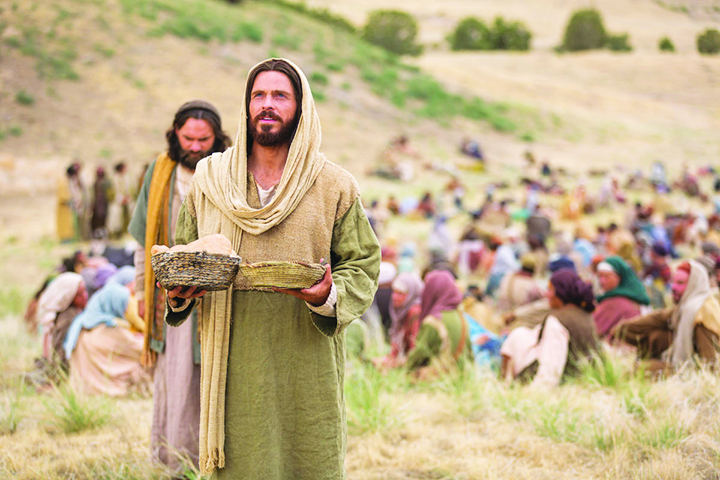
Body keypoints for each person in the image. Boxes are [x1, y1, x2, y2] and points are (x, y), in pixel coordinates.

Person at [164, 59, 381, 478]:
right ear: (246, 106)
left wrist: (328, 295)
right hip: (233, 361)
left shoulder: (334, 185)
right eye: (258, 95)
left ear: (301, 107)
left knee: (308, 460)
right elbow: (184, 255)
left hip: (306, 361)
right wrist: (179, 292)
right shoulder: (209, 180)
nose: (267, 104)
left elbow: (363, 263)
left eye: (280, 95)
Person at [128, 99, 231, 472]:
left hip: (220, 292)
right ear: (175, 135)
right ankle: (177, 462)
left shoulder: (229, 170)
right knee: (177, 376)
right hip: (170, 293)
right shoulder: (159, 172)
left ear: (216, 137)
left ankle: (216, 462)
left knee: (216, 376)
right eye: (189, 139)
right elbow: (144, 240)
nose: (196, 147)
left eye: (204, 140)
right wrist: (143, 291)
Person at [500, 270, 600, 387]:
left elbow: (551, 369)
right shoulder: (585, 315)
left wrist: (534, 393)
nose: (546, 294)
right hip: (584, 379)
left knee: (516, 337)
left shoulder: (557, 320)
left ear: (562, 292)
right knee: (519, 334)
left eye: (550, 290)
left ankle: (505, 386)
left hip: (565, 382)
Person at [613, 261, 720, 371]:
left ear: (693, 285)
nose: (673, 287)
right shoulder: (686, 306)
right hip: (680, 366)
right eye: (673, 282)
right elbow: (658, 318)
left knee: (639, 370)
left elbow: (710, 363)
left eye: (680, 283)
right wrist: (621, 329)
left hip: (689, 370)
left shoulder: (701, 312)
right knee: (656, 336)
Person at [63, 280, 147, 396]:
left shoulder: (82, 325)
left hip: (83, 388)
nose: (125, 310)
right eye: (123, 305)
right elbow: (141, 349)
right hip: (107, 387)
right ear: (114, 305)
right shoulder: (110, 330)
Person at [405, 270, 469, 375]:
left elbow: (420, 352)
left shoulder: (433, 321)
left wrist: (406, 366)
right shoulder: (461, 317)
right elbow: (468, 354)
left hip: (436, 377)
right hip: (459, 376)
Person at [36, 273, 88, 373]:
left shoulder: (74, 311)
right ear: (68, 296)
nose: (85, 296)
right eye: (80, 294)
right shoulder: (68, 318)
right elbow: (60, 353)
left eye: (85, 291)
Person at [593, 256, 650, 340]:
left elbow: (594, 330)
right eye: (600, 276)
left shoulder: (614, 301)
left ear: (619, 277)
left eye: (607, 276)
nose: (602, 281)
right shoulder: (634, 295)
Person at [379, 272, 424, 368]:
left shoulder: (414, 313)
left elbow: (414, 350)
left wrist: (394, 364)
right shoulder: (400, 311)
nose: (394, 297)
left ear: (411, 294)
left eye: (400, 294)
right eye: (394, 292)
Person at [107, 162, 135, 239]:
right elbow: (111, 192)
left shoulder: (127, 178)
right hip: (117, 202)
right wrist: (120, 198)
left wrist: (127, 197)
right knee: (115, 219)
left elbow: (131, 189)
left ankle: (126, 233)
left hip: (126, 201)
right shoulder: (113, 179)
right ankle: (115, 235)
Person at [91, 166, 114, 238]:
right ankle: (101, 234)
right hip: (100, 205)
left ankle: (102, 234)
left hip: (102, 205)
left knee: (102, 220)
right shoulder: (99, 183)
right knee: (101, 220)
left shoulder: (102, 183)